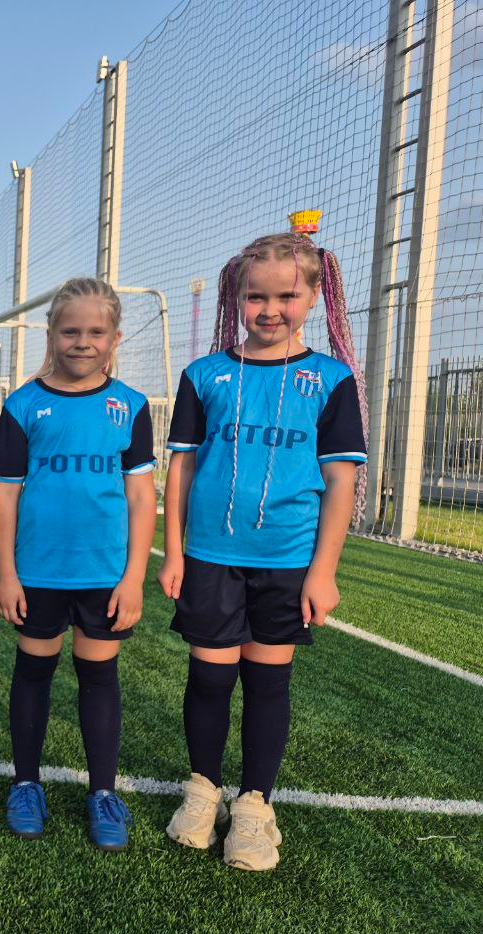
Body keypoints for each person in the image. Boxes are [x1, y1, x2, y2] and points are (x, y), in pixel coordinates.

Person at [157, 233, 367, 871]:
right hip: (211, 555)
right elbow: (181, 468)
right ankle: (202, 791)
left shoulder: (330, 380)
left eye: (286, 296)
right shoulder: (205, 376)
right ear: (237, 297)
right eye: (256, 296)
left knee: (267, 682)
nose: (270, 309)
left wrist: (323, 572)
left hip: (288, 558)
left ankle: (253, 807)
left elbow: (340, 480)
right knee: (209, 677)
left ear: (314, 296)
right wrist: (173, 552)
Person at [0, 277, 156, 851]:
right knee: (33, 672)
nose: (82, 342)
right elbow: (5, 494)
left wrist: (133, 577)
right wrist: (7, 573)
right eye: (70, 331)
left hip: (104, 573)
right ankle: (26, 785)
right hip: (38, 571)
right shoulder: (23, 405)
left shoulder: (130, 406)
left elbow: (141, 497)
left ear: (114, 338)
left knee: (99, 676)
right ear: (51, 334)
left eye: (95, 332)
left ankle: (103, 793)